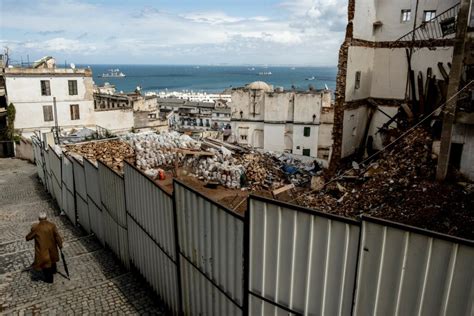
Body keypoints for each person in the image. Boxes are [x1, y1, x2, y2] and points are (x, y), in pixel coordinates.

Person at [26, 212, 63, 283]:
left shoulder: (36, 228)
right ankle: (53, 271)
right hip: (52, 249)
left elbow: (28, 237)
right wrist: (60, 245)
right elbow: (57, 236)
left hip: (42, 250)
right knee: (52, 259)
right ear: (46, 218)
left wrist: (31, 230)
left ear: (39, 219)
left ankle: (49, 280)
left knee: (46, 264)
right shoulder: (52, 225)